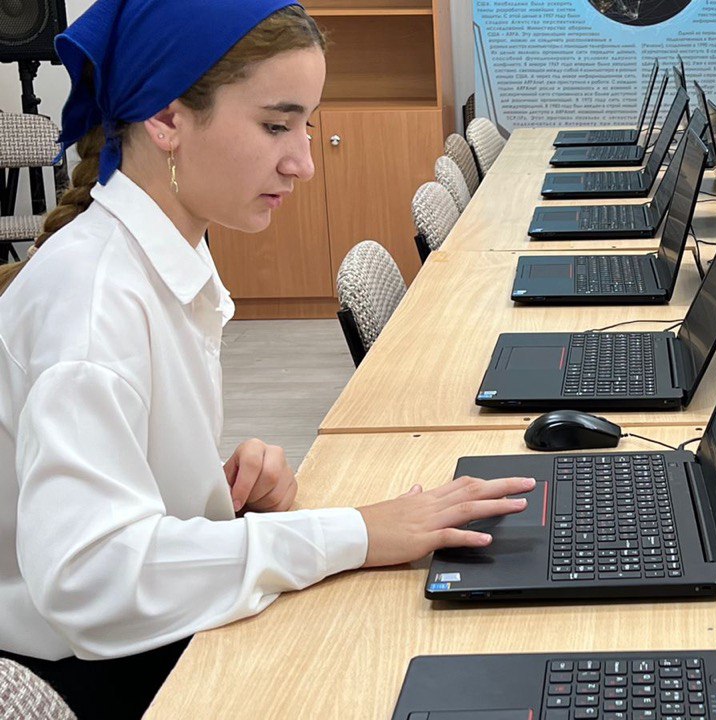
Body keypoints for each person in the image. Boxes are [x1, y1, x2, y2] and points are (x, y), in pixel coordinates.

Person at [0, 3, 532, 717]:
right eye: (277, 125)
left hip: (137, 638)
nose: (304, 162)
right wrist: (355, 532)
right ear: (165, 119)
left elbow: (115, 504)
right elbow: (91, 580)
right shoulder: (94, 305)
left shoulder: (159, 253)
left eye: (306, 126)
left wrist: (212, 497)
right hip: (102, 674)